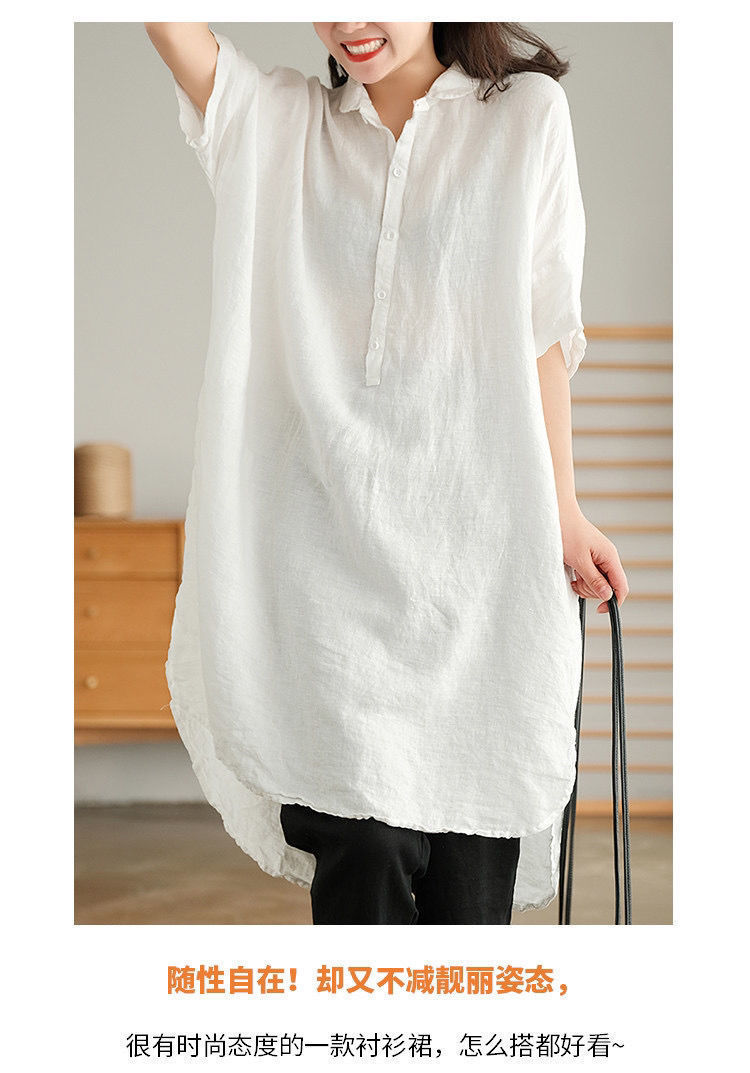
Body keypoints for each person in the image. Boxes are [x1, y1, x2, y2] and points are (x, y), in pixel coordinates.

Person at [145, 21, 629, 925]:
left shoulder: (528, 117)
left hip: (479, 568)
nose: (349, 19)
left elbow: (543, 332)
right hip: (327, 577)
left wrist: (564, 508)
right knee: (360, 850)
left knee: (469, 892)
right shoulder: (282, 124)